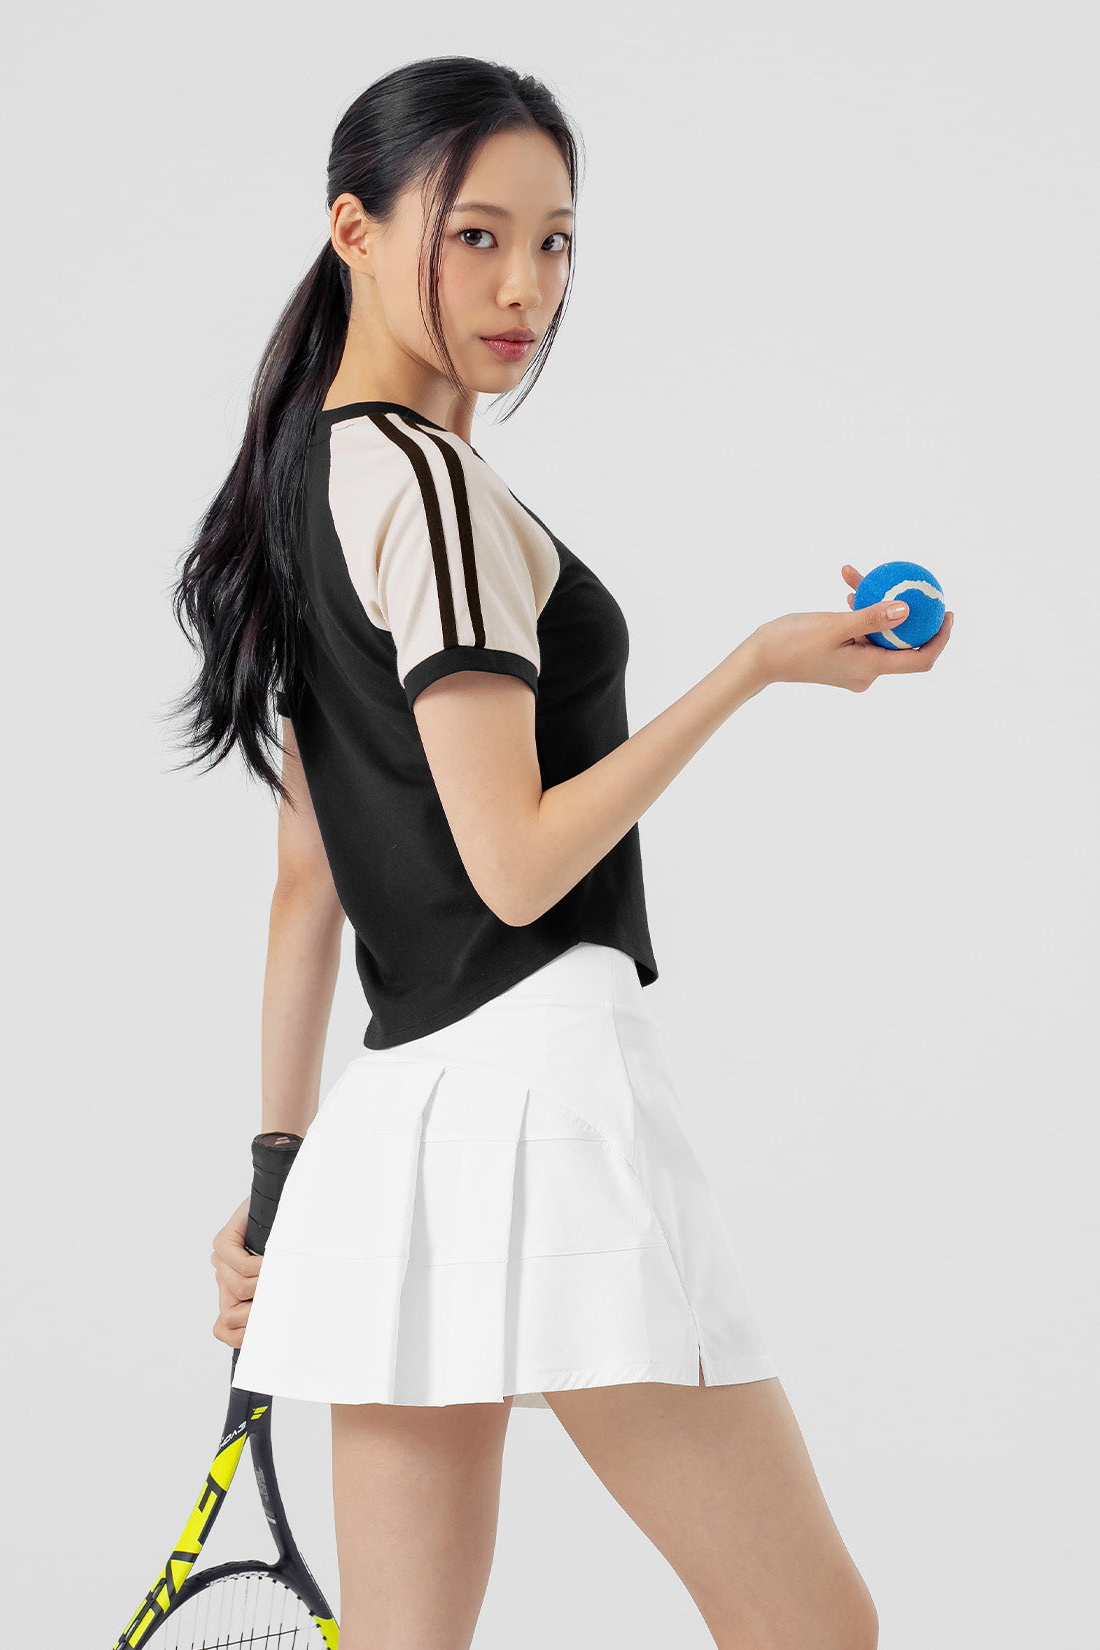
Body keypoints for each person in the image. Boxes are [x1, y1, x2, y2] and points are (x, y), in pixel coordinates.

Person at [174, 54, 953, 1650]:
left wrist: (277, 1176)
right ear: (355, 229)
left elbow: (308, 881)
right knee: (815, 1629)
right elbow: (517, 867)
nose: (524, 286)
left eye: (555, 242)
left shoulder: (312, 477)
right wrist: (752, 668)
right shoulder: (434, 490)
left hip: (401, 1124)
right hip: (540, 1088)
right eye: (476, 235)